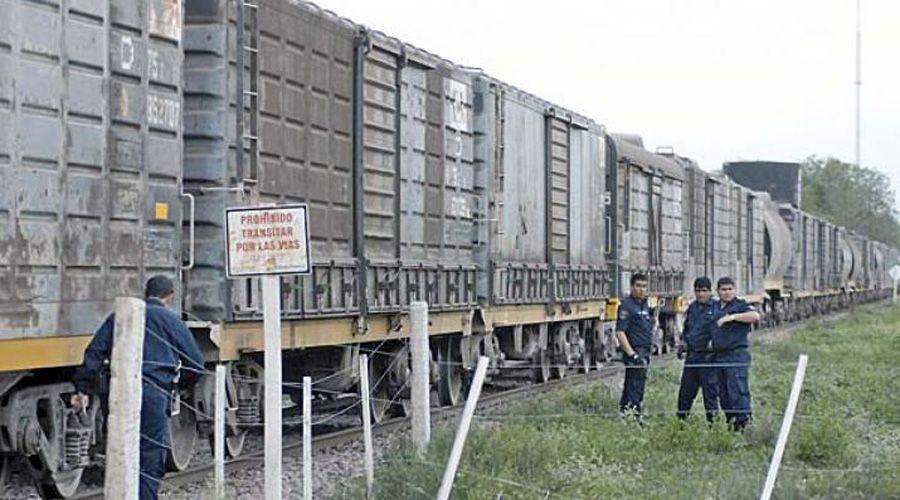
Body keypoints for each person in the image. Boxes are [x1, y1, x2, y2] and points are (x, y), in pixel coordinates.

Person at [71, 275, 206, 500]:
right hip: (155, 394)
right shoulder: (172, 321)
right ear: (170, 297)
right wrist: (179, 385)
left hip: (119, 393)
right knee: (151, 455)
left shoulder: (120, 316)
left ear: (146, 293)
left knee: (120, 452)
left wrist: (82, 388)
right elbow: (197, 364)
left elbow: (94, 352)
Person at [710, 276, 760, 431]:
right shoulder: (715, 307)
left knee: (737, 390)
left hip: (736, 355)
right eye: (723, 290)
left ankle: (744, 424)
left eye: (730, 289)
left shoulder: (740, 305)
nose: (727, 293)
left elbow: (755, 316)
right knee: (724, 393)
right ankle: (731, 424)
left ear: (735, 290)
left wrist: (732, 317)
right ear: (718, 291)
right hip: (719, 356)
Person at [676, 277, 720, 422]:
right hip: (692, 358)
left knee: (710, 396)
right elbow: (687, 329)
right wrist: (683, 343)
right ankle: (680, 426)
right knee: (685, 395)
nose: (701, 294)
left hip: (709, 360)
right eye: (698, 291)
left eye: (704, 291)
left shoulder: (717, 308)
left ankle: (714, 428)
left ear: (710, 291)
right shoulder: (693, 308)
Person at [616, 273, 653, 418]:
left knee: (637, 385)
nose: (641, 290)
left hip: (645, 351)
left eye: (644, 286)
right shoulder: (627, 305)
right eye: (638, 286)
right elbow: (620, 332)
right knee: (634, 387)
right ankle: (634, 417)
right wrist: (632, 354)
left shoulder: (644, 304)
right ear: (632, 287)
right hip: (635, 352)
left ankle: (626, 414)